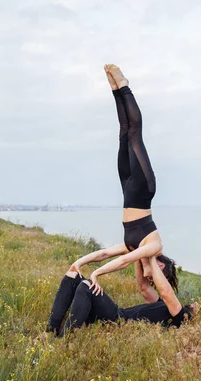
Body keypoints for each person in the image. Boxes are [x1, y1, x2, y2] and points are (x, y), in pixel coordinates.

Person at [70, 64, 174, 298]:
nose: (153, 275)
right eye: (161, 271)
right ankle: (124, 86)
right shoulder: (154, 247)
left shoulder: (133, 246)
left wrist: (80, 262)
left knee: (123, 132)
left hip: (128, 189)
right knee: (135, 132)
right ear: (162, 265)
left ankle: (116, 91)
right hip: (143, 189)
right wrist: (96, 275)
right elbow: (126, 260)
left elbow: (105, 253)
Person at [47, 263, 198, 336]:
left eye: (190, 306)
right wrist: (140, 255)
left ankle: (63, 340)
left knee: (87, 286)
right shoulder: (161, 305)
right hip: (116, 312)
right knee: (73, 276)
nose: (191, 304)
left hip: (119, 321)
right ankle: (50, 331)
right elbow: (144, 287)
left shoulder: (178, 315)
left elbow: (167, 293)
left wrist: (152, 257)